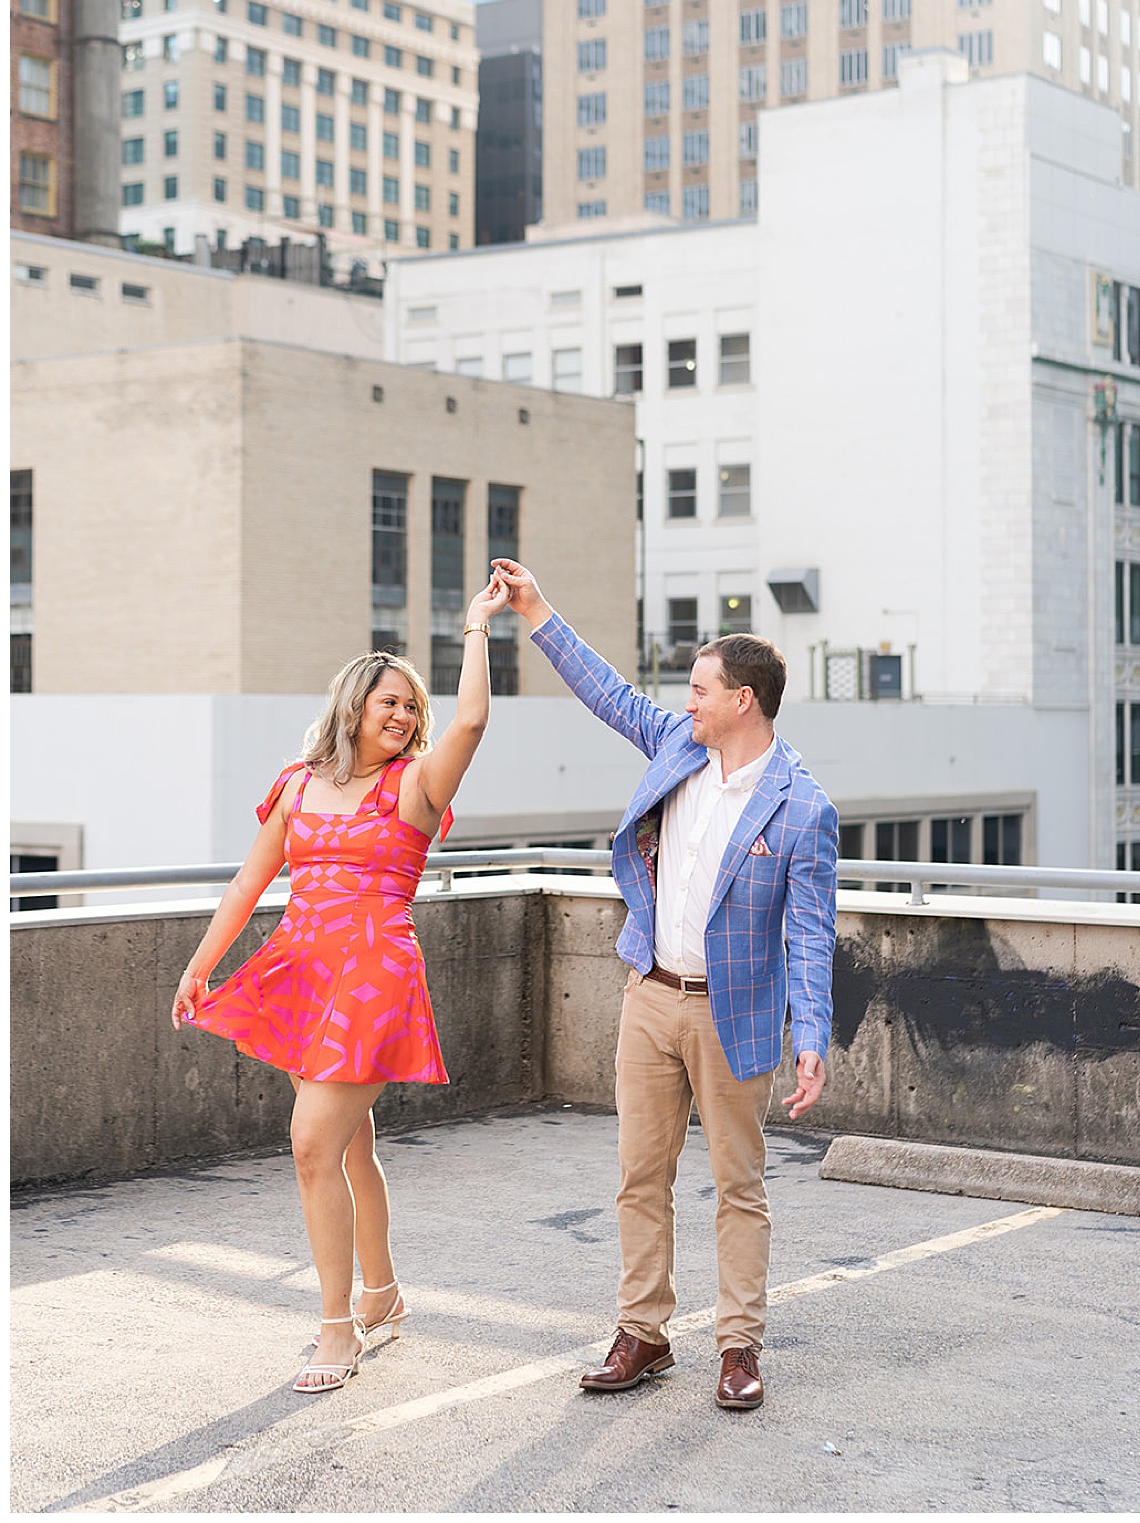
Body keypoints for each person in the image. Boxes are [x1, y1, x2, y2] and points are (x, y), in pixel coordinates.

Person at [492, 558, 837, 1413]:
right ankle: (643, 1332)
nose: (686, 701)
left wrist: (812, 1034)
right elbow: (608, 692)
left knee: (738, 1185)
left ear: (742, 700)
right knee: (640, 1172)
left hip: (735, 1012)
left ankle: (738, 1346)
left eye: (699, 689)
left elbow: (810, 931)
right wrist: (536, 608)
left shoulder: (803, 807)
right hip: (649, 994)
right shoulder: (679, 745)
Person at [172, 572, 511, 1394]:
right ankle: (384, 1289)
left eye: (411, 708)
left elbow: (471, 717)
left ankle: (337, 1326)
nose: (402, 716)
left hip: (373, 973)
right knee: (352, 1146)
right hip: (300, 970)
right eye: (389, 702)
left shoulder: (419, 782)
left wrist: (475, 628)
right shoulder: (296, 783)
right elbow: (248, 885)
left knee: (312, 1143)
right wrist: (200, 964)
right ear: (354, 701)